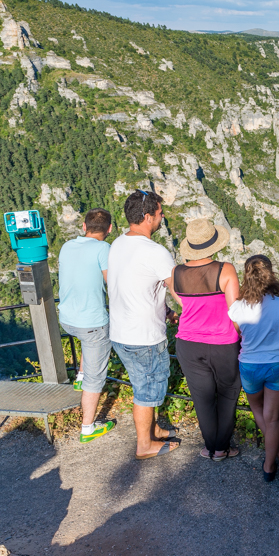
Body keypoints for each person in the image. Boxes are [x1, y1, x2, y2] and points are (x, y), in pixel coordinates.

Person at [107, 190, 180, 460]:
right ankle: (144, 445)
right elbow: (178, 291)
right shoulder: (155, 252)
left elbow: (136, 287)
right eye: (160, 214)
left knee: (142, 384)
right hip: (144, 336)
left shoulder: (118, 244)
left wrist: (165, 311)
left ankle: (153, 431)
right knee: (147, 391)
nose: (163, 218)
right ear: (148, 217)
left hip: (120, 331)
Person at [174, 218, 242, 461]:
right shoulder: (225, 270)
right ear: (215, 244)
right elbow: (235, 312)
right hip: (223, 343)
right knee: (227, 394)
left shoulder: (177, 272)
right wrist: (242, 336)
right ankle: (221, 448)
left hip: (188, 343)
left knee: (202, 397)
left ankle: (209, 447)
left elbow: (183, 303)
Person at [228, 254, 279, 479]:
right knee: (273, 417)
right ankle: (270, 465)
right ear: (271, 274)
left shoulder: (237, 307)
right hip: (278, 365)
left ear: (246, 276)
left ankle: (276, 455)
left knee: (257, 409)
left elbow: (240, 334)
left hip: (249, 365)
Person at [58, 208, 116, 444]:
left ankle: (80, 375)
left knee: (87, 342)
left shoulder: (67, 246)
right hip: (91, 323)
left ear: (84, 226)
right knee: (96, 378)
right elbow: (110, 282)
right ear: (109, 229)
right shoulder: (104, 248)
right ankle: (88, 428)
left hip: (68, 319)